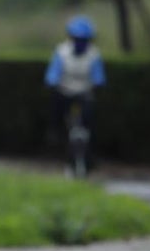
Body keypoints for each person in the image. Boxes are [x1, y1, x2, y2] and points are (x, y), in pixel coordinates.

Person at [44, 15, 107, 171]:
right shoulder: (62, 52)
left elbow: (98, 76)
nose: (81, 43)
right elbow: (53, 73)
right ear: (71, 38)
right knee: (56, 113)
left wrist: (99, 82)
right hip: (64, 92)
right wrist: (52, 81)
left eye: (84, 40)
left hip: (84, 93)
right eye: (78, 39)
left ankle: (89, 157)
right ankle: (55, 137)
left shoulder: (94, 54)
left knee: (89, 123)